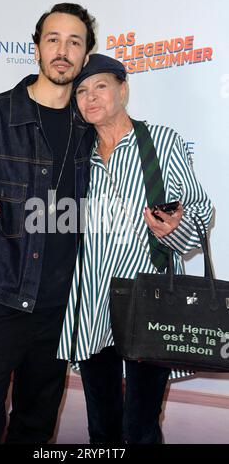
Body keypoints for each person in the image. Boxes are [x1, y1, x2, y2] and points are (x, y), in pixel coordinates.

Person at [0, 3, 96, 443]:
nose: (62, 51)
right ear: (36, 49)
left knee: (36, 427)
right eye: (53, 40)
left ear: (85, 56)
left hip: (60, 312)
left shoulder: (91, 130)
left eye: (74, 42)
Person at [57, 53, 213, 444]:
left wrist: (174, 228)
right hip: (90, 304)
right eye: (81, 91)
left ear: (123, 90)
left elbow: (200, 209)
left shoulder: (161, 141)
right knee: (102, 428)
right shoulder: (77, 158)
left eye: (101, 87)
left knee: (141, 429)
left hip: (149, 304)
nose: (90, 97)